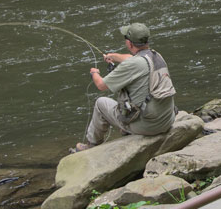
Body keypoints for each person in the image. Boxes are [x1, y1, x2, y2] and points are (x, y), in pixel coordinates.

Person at [73, 23, 176, 152]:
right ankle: (127, 129)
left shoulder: (131, 65)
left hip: (149, 127)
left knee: (101, 104)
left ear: (129, 43)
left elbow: (101, 85)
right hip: (167, 120)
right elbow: (132, 58)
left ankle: (92, 145)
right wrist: (114, 57)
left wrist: (94, 73)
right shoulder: (156, 56)